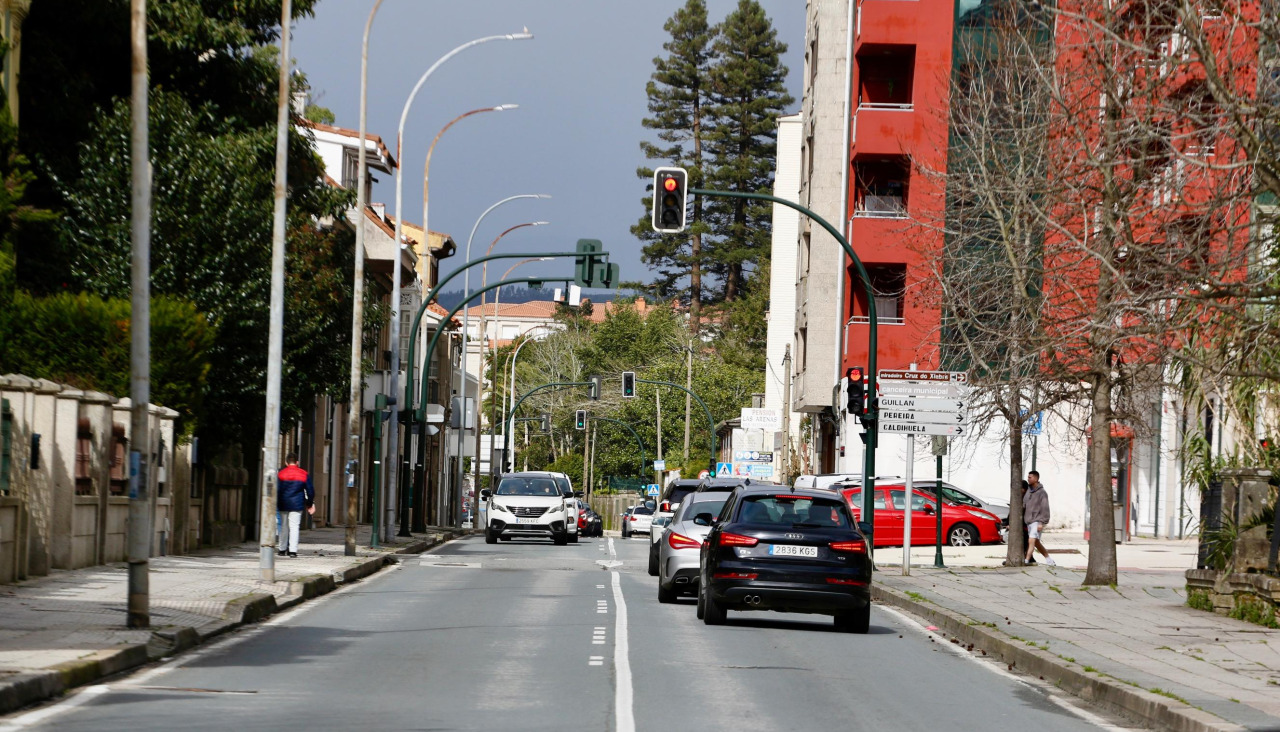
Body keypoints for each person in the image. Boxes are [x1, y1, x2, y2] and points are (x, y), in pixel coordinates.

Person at [277, 452, 315, 558]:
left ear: (286, 462)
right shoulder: (303, 474)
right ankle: (293, 551)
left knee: (283, 526)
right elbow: (310, 491)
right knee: (294, 527)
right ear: (297, 462)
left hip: (283, 503)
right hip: (297, 504)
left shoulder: (281, 474)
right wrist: (309, 503)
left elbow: (277, 490)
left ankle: (282, 549)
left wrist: (277, 502)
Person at [1023, 470, 1055, 566]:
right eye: (1028, 477)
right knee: (1036, 542)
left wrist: (1041, 522)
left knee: (1031, 541)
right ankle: (1049, 559)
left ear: (1036, 479)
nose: (1028, 479)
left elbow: (1045, 508)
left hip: (1036, 521)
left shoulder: (1042, 493)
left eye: (1030, 477)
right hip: (1029, 521)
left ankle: (1026, 560)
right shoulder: (1028, 491)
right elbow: (1024, 504)